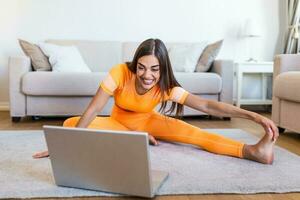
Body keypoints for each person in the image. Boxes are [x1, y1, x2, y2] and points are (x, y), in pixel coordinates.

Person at [33, 38, 279, 164]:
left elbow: (206, 106)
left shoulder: (166, 86)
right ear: (134, 64)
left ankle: (252, 151)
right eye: (141, 68)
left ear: (162, 69)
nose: (147, 75)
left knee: (196, 135)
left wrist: (253, 115)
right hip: (118, 123)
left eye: (154, 69)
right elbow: (95, 108)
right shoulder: (119, 72)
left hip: (150, 122)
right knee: (70, 124)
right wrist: (64, 147)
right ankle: (134, 138)